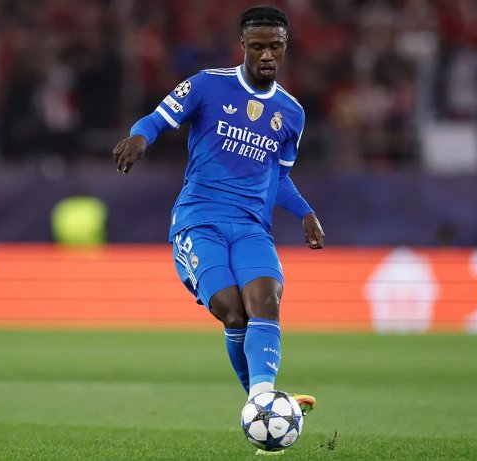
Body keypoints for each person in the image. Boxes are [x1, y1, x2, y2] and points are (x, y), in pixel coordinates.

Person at [112, 3, 324, 435]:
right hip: (199, 221)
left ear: (285, 46)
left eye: (275, 46)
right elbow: (156, 119)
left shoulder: (291, 113)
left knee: (266, 299)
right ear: (243, 44)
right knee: (232, 311)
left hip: (250, 226)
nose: (267, 55)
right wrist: (139, 138)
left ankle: (261, 402)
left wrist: (305, 212)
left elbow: (279, 177)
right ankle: (263, 404)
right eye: (258, 46)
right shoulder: (207, 85)